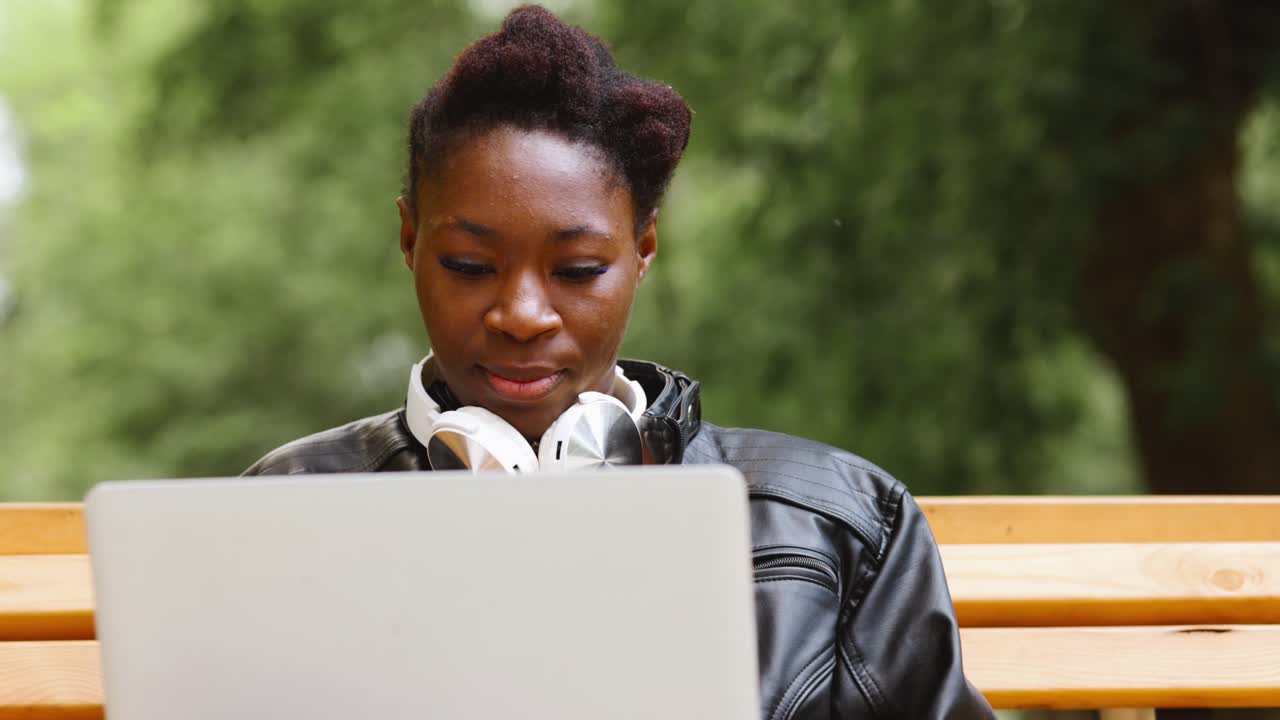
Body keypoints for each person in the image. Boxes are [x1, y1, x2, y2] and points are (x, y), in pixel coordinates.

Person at [244, 6, 995, 719]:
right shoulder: (274, 513)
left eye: (575, 270)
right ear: (409, 240)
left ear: (643, 250)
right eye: (470, 265)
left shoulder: (846, 526)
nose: (522, 315)